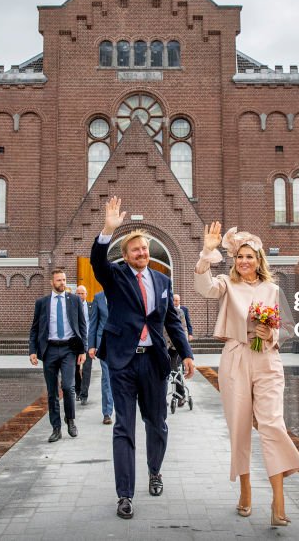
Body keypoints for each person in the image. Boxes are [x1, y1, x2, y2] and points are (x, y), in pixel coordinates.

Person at [89, 197, 194, 520]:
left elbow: (172, 321)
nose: (142, 254)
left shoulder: (163, 281)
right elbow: (97, 263)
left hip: (153, 362)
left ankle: (155, 471)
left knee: (157, 424)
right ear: (125, 254)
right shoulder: (115, 276)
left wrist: (187, 354)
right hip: (122, 362)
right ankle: (124, 495)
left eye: (145, 249)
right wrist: (107, 230)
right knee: (124, 428)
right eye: (135, 250)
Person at [194, 222, 299, 527]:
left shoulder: (273, 289)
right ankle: (245, 490)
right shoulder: (225, 285)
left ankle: (278, 500)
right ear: (234, 260)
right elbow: (202, 287)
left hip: (267, 360)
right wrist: (207, 251)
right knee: (240, 427)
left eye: (250, 257)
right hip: (236, 357)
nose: (244, 261)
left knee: (272, 425)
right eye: (239, 256)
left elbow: (289, 329)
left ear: (259, 261)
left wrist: (270, 335)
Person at [29, 268, 87, 442]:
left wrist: (82, 350)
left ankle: (70, 420)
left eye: (64, 280)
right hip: (50, 350)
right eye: (59, 280)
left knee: (68, 387)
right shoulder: (42, 303)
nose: (62, 283)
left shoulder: (75, 300)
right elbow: (35, 328)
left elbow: (82, 326)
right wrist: (32, 350)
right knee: (52, 391)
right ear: (52, 282)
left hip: (69, 349)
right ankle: (56, 428)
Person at [87, 291, 114, 425]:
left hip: (122, 344)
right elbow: (94, 322)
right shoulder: (98, 297)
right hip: (103, 343)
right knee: (107, 377)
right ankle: (107, 412)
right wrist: (91, 345)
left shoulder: (123, 293)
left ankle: (123, 409)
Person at [74, 285, 93, 406]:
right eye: (78, 294)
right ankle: (78, 390)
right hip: (75, 342)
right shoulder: (72, 307)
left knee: (87, 369)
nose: (80, 296)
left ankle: (84, 394)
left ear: (86, 294)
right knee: (75, 369)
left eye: (82, 293)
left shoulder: (92, 307)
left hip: (88, 342)